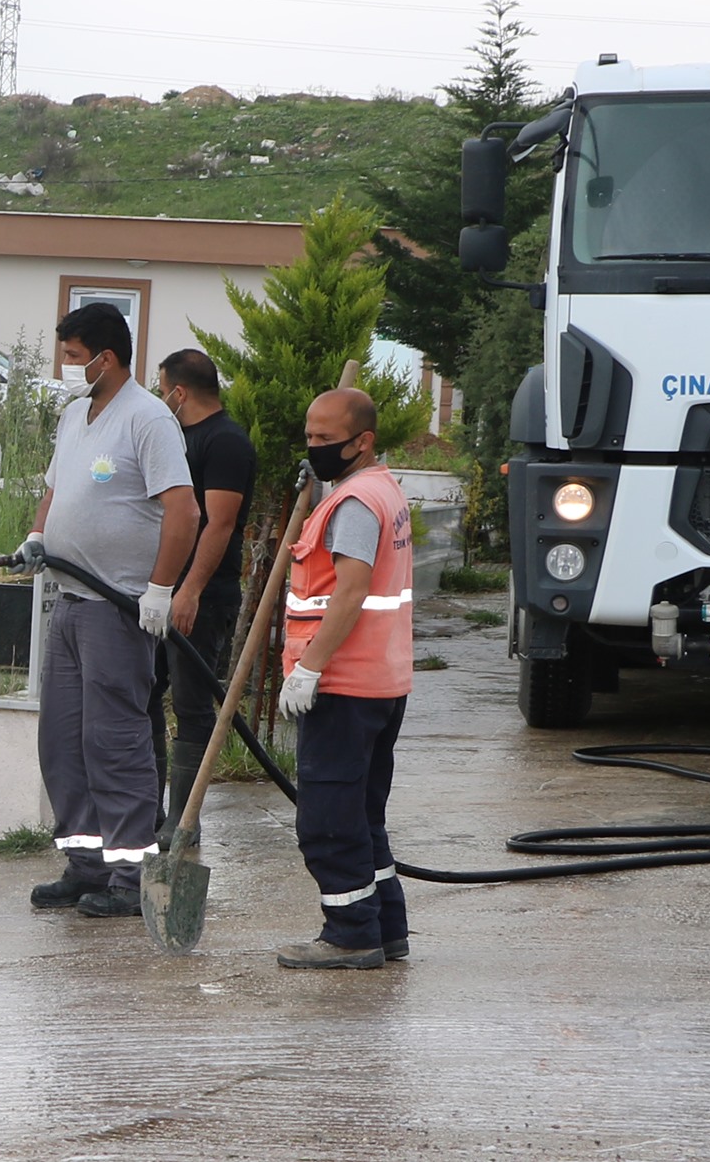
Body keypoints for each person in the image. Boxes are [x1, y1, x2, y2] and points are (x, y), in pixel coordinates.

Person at [17, 303, 197, 918]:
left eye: (72, 357)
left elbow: (184, 511)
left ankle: (128, 875)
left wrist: (160, 589)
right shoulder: (75, 416)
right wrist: (39, 536)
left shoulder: (148, 420)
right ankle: (85, 863)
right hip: (69, 602)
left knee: (113, 740)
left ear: (106, 358)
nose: (65, 368)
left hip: (117, 609)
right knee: (63, 740)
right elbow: (55, 489)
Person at [273, 387, 415, 970]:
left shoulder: (355, 503)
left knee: (329, 820)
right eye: (310, 437)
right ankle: (387, 926)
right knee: (363, 815)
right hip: (382, 681)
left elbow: (351, 590)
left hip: (343, 684)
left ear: (363, 442)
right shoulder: (380, 490)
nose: (315, 448)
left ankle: (351, 935)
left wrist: (308, 669)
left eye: (326, 440)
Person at [143, 348, 257, 845]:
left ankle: (182, 822)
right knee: (142, 695)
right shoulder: (175, 437)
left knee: (190, 705)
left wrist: (189, 590)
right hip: (160, 591)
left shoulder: (226, 442)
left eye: (162, 387)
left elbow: (221, 523)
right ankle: (148, 812)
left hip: (201, 598)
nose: (159, 396)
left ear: (179, 391)